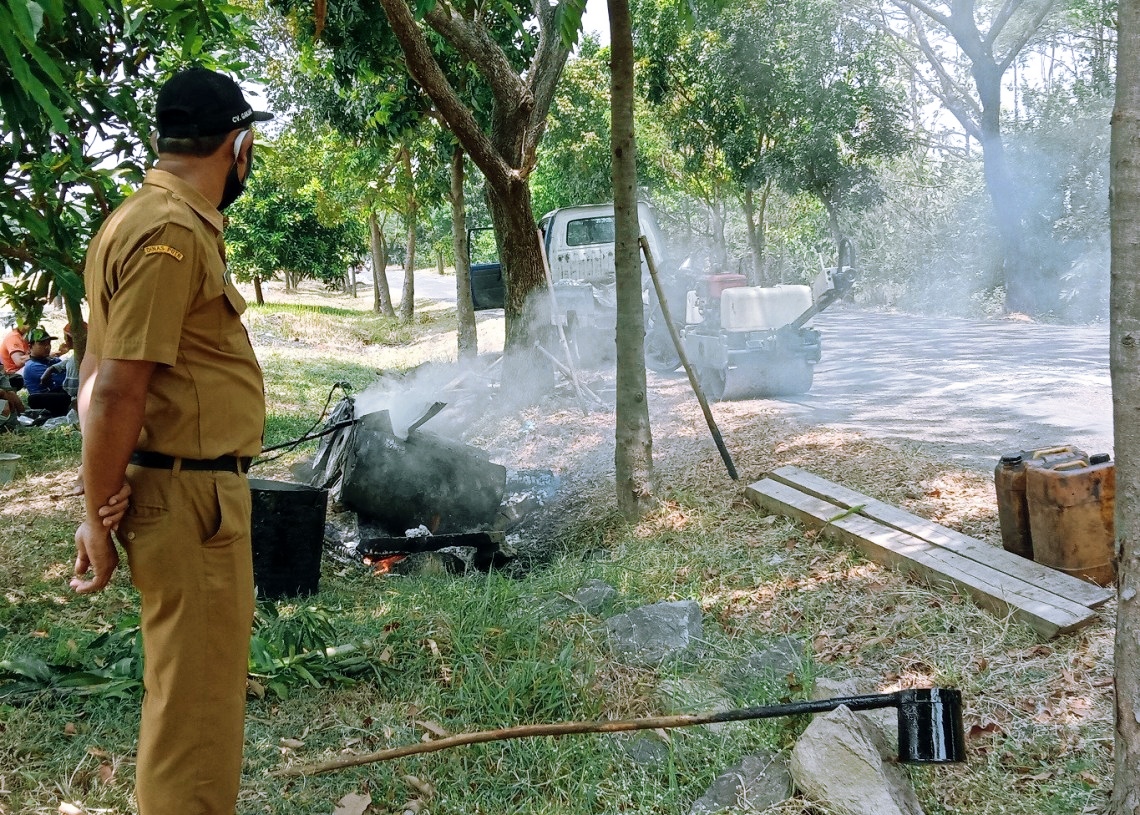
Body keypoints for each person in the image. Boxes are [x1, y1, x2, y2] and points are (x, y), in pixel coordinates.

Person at [74, 66, 270, 815]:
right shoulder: (169, 233)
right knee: (194, 721)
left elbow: (95, 373)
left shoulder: (130, 220)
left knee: (186, 701)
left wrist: (97, 499)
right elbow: (118, 387)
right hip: (193, 504)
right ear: (237, 145)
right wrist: (95, 510)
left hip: (181, 493)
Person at [22, 327, 71, 417]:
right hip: (47, 401)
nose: (47, 347)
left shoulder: (53, 360)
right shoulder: (32, 366)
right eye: (42, 343)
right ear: (30, 346)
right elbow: (64, 380)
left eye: (48, 343)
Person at [1, 319, 30, 389]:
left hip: (19, 370)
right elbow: (19, 362)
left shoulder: (24, 335)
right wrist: (42, 356)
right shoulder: (13, 337)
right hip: (13, 374)